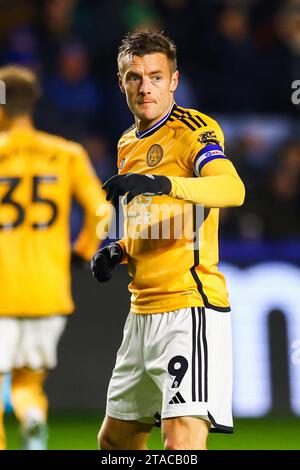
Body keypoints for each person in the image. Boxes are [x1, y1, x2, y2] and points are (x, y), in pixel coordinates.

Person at [91, 30, 245, 450]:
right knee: (115, 444)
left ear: (174, 81)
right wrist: (118, 248)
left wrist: (162, 182)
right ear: (120, 82)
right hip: (140, 312)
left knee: (180, 445)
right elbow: (152, 217)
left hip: (188, 308)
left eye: (156, 77)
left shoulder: (194, 130)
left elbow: (232, 190)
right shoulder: (127, 143)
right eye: (135, 77)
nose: (146, 88)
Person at [0, 65, 108, 450]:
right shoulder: (66, 153)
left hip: (1, 290)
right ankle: (32, 422)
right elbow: (101, 212)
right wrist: (81, 253)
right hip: (47, 290)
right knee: (28, 384)